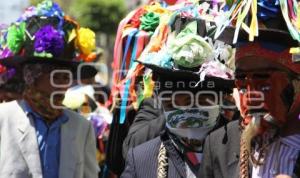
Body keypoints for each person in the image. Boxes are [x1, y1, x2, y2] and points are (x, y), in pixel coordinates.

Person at [121, 12, 236, 177]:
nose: (188, 110)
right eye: (174, 104)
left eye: (201, 101)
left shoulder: (246, 149)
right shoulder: (141, 159)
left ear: (220, 100)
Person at [200, 1, 300, 178]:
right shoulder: (220, 144)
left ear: (296, 82)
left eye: (262, 78)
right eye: (241, 79)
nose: (251, 92)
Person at [0, 1, 99, 177]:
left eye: (66, 78)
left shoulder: (81, 127)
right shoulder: (4, 119)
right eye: (56, 77)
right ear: (32, 77)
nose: (63, 85)